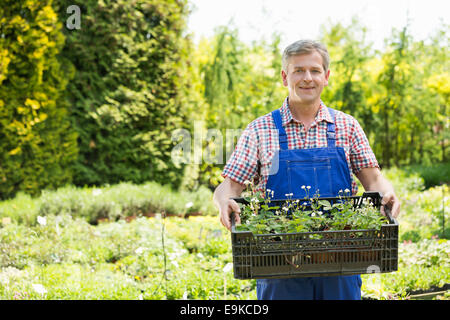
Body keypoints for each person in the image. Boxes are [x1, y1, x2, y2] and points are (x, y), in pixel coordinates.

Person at [213, 39, 400, 300]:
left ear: (326, 76)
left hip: (341, 257)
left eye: (314, 70)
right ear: (284, 76)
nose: (307, 78)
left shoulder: (347, 127)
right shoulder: (260, 130)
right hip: (276, 261)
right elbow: (230, 186)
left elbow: (374, 181)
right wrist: (224, 201)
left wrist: (387, 193)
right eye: (298, 70)